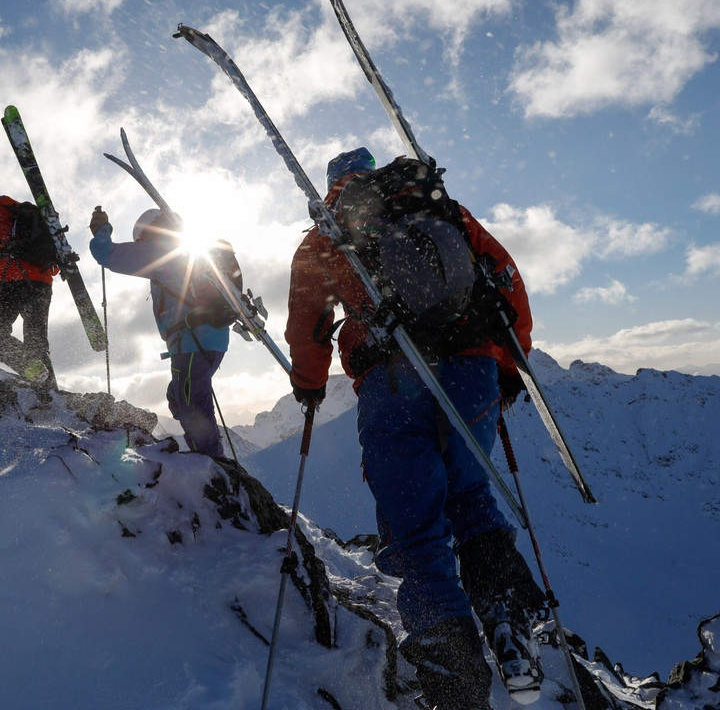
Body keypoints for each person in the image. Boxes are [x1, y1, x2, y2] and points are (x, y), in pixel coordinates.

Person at [285, 147, 547, 710]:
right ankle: (510, 631)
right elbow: (506, 281)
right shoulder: (436, 204)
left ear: (333, 185)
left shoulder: (326, 234)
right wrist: (506, 364)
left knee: (419, 535)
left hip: (392, 377)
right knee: (473, 496)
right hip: (473, 368)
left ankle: (456, 686)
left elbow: (309, 325)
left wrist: (308, 386)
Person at [88, 207, 231, 458]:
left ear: (147, 232)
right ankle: (211, 459)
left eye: (140, 240)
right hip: (212, 339)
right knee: (178, 396)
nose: (140, 245)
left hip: (190, 341)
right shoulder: (189, 250)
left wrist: (102, 229)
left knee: (192, 409)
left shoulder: (161, 250)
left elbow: (107, 254)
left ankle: (213, 466)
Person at [0, 195, 58, 392]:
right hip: (42, 285)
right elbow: (54, 259)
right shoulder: (35, 216)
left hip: (9, 282)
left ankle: (34, 372)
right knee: (36, 341)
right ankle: (50, 391)